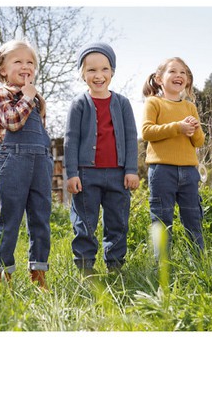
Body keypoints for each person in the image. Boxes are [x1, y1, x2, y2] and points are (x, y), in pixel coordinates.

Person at [64, 42, 139, 274]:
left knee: (117, 222)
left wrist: (131, 169)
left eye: (104, 69)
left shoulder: (123, 103)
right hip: (86, 174)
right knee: (85, 223)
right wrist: (72, 174)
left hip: (118, 174)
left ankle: (115, 266)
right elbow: (71, 140)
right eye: (91, 70)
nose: (99, 75)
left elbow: (130, 137)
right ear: (82, 74)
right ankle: (85, 267)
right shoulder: (79, 104)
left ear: (112, 71)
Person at [0, 39, 53, 289]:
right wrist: (27, 97)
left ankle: (38, 274)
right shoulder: (2, 94)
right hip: (14, 160)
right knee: (10, 219)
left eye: (30, 62)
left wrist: (32, 97)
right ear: (3, 69)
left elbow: (42, 132)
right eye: (18, 61)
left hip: (40, 161)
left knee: (40, 217)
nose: (25, 66)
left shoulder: (37, 99)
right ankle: (3, 275)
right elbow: (12, 122)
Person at [142, 57, 205, 258]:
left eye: (183, 73)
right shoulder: (154, 102)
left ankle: (198, 264)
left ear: (187, 80)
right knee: (161, 220)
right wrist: (178, 127)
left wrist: (192, 129)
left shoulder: (190, 107)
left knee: (193, 219)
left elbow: (199, 141)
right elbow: (147, 131)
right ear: (160, 79)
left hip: (189, 171)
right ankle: (161, 268)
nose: (179, 75)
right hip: (162, 171)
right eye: (173, 71)